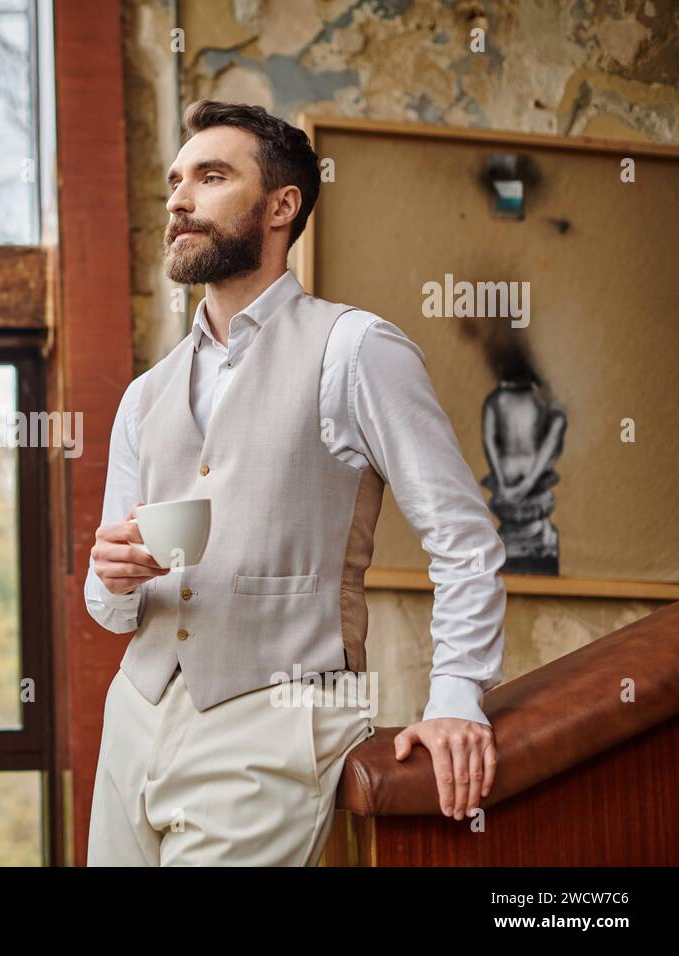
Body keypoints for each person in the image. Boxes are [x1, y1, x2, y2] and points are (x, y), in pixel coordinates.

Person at [84, 100, 506, 866]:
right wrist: (110, 576)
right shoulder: (144, 395)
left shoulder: (356, 350)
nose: (179, 199)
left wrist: (456, 699)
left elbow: (462, 536)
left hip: (281, 717)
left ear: (282, 206)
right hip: (134, 717)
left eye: (211, 177)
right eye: (175, 181)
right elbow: (114, 610)